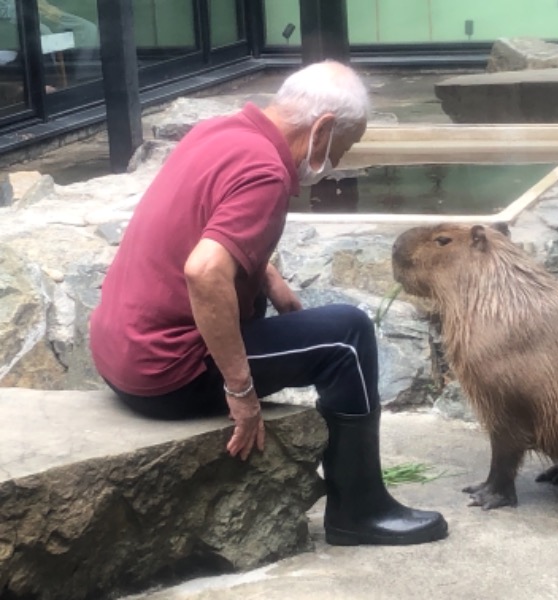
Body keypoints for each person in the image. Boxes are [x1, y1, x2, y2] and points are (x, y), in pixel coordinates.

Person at [89, 60, 448, 547]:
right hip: (166, 373)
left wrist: (268, 277)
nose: (338, 161)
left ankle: (359, 503)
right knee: (348, 333)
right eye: (344, 146)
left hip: (117, 356)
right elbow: (204, 270)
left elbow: (199, 229)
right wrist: (241, 393)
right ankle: (359, 509)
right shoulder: (266, 171)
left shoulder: (217, 133)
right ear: (321, 128)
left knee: (329, 328)